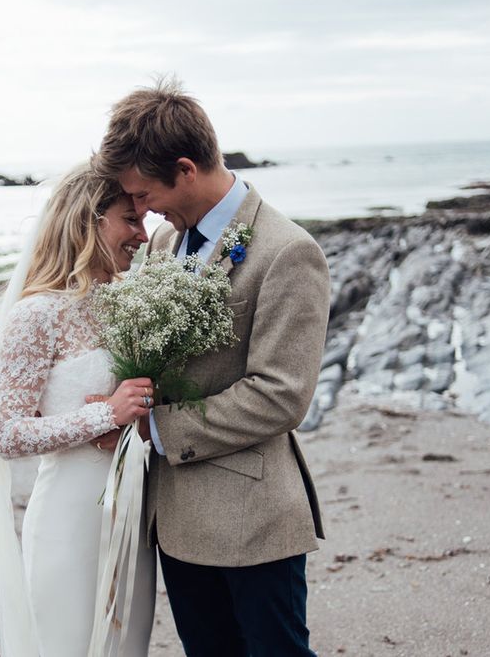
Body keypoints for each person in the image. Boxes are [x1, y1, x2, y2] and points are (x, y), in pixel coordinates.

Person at [93, 80, 331, 657]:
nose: (143, 213)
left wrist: (157, 429)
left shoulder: (287, 251)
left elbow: (281, 395)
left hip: (253, 520)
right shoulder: (162, 244)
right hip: (173, 515)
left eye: (144, 194)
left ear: (185, 169)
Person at [0, 163, 156, 657]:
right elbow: (7, 434)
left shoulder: (127, 303)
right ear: (90, 221)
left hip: (132, 513)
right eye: (130, 220)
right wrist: (104, 415)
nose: (143, 234)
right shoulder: (34, 315)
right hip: (70, 519)